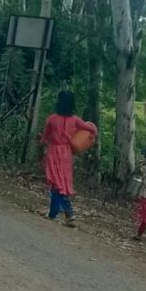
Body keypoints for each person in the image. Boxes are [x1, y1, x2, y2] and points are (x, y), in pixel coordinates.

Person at [39, 91, 97, 227]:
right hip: (66, 153)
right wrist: (86, 138)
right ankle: (56, 213)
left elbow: (45, 137)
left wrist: (41, 147)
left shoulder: (52, 119)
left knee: (55, 184)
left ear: (59, 102)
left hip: (54, 152)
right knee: (62, 184)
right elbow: (91, 129)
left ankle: (66, 212)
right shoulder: (75, 120)